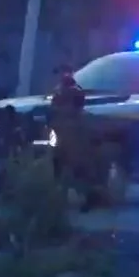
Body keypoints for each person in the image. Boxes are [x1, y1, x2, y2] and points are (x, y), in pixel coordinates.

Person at [48, 65, 95, 211]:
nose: (63, 75)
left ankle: (84, 199)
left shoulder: (72, 91)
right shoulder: (61, 91)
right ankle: (63, 201)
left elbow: (75, 107)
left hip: (72, 135)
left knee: (76, 170)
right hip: (63, 135)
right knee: (63, 170)